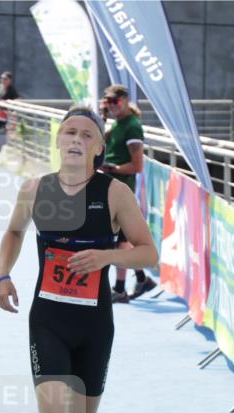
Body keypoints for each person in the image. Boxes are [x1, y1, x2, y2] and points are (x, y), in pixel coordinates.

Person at [0, 106, 157, 413]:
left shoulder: (114, 192)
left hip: (94, 323)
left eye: (86, 133)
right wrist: (2, 276)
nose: (75, 138)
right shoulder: (36, 189)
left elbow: (147, 252)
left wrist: (106, 257)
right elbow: (12, 231)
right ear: (58, 140)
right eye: (69, 131)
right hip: (47, 319)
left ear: (98, 147)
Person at [99, 85, 157, 302]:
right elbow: (101, 140)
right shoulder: (118, 123)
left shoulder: (132, 126)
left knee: (121, 243)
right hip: (113, 187)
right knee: (123, 241)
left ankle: (120, 289)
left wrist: (111, 168)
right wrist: (103, 117)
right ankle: (142, 279)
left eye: (115, 101)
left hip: (122, 191)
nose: (111, 105)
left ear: (124, 99)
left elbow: (137, 166)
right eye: (107, 101)